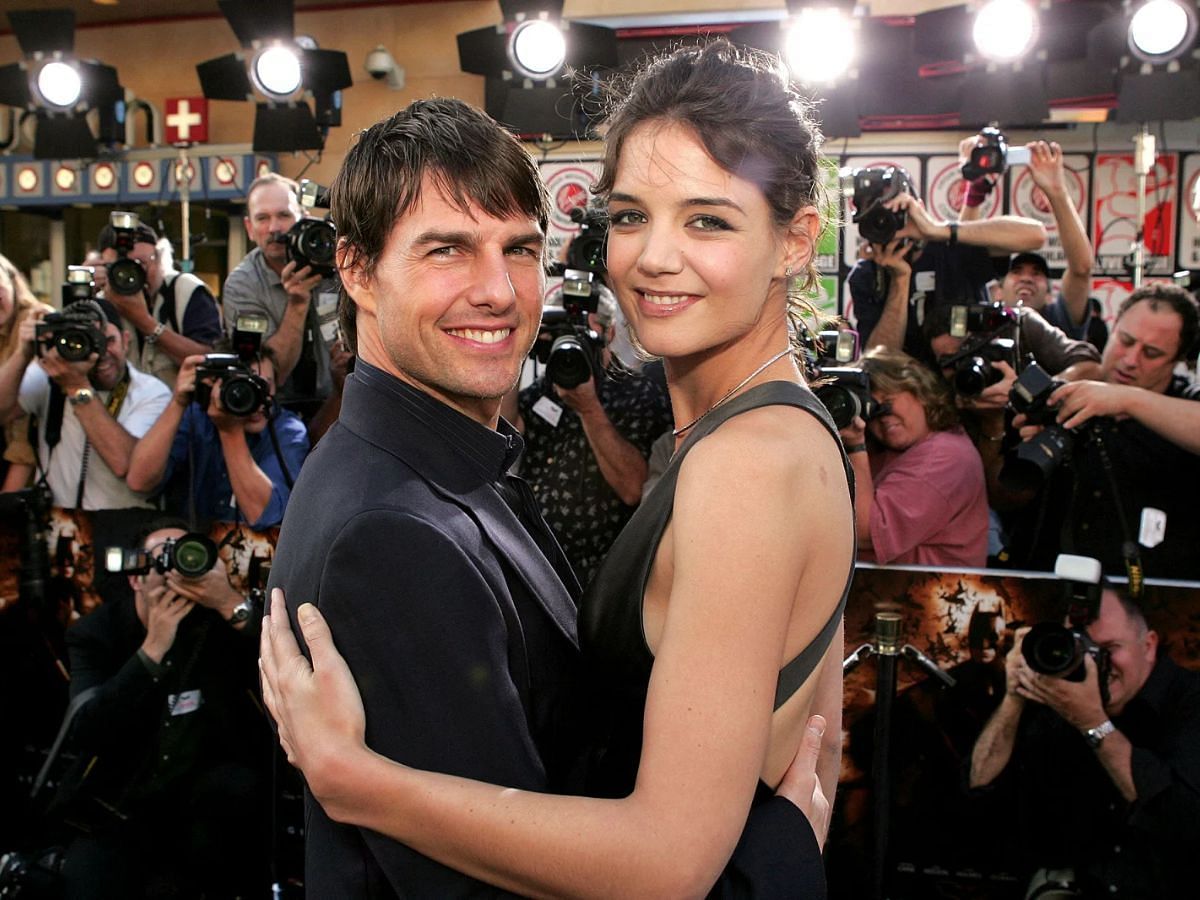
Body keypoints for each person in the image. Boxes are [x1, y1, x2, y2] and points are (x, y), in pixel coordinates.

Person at [260, 42, 851, 897]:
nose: (653, 257)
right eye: (630, 216)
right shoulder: (388, 527)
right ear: (355, 269)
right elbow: (816, 741)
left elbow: (777, 771)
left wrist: (357, 782)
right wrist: (778, 854)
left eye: (708, 219)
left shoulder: (744, 463)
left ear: (796, 242)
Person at [57, 519, 271, 898]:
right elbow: (87, 731)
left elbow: (276, 660)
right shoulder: (96, 633)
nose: (176, 569)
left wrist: (226, 601)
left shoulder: (214, 623)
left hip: (200, 806)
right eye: (163, 559)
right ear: (136, 577)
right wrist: (151, 651)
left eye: (187, 555)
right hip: (120, 805)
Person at [968, 587, 1200, 898]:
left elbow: (1180, 818)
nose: (1096, 664)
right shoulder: (1057, 691)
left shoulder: (1189, 700)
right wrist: (1014, 698)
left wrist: (1092, 722)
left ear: (1148, 646)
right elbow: (979, 789)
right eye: (1084, 649)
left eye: (1110, 648)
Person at [1007, 283, 1200, 579]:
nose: (1131, 360)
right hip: (1045, 589)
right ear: (1113, 327)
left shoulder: (1184, 404)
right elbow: (1005, 497)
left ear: (1178, 360)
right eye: (1125, 340)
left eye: (1151, 353)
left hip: (1153, 602)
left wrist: (1125, 399)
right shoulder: (1065, 395)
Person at [507, 286, 672, 586]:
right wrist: (517, 349)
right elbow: (504, 430)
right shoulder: (538, 394)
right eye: (564, 328)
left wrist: (589, 409)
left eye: (583, 328)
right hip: (542, 567)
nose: (572, 337)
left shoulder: (639, 395)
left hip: (609, 574)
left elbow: (634, 489)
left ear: (608, 334)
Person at [847, 180, 1045, 367]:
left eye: (895, 211)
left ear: (918, 208)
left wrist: (938, 230)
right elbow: (880, 361)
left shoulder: (951, 248)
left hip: (967, 383)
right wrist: (900, 278)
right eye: (875, 216)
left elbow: (1036, 235)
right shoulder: (866, 275)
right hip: (909, 393)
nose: (886, 221)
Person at [0, 298, 171, 510]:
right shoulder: (51, 375)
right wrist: (23, 354)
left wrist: (76, 386)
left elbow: (124, 464)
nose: (99, 353)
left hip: (123, 527)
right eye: (86, 341)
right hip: (60, 525)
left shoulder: (151, 392)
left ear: (126, 341)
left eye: (107, 341)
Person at [839, 345, 989, 567]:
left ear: (920, 391)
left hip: (931, 596)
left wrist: (855, 446)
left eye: (888, 402)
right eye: (872, 408)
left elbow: (865, 533)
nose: (883, 416)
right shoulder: (894, 449)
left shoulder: (945, 456)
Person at [126, 348, 308, 529]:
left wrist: (230, 431)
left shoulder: (287, 430)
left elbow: (262, 515)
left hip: (260, 552)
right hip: (192, 548)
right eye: (240, 387)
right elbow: (139, 480)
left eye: (263, 386)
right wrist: (178, 402)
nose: (256, 399)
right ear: (215, 385)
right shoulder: (197, 416)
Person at [222, 173, 340, 419]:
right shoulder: (242, 284)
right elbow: (273, 373)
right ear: (249, 229)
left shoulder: (336, 263)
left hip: (343, 403)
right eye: (262, 218)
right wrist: (297, 304)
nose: (274, 228)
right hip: (274, 412)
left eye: (284, 215)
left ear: (304, 218)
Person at [961, 139, 1099, 343]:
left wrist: (1057, 192)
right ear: (997, 292)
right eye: (1016, 272)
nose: (1026, 279)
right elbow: (964, 257)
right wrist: (974, 192)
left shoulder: (1058, 322)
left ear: (1049, 297)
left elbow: (1081, 269)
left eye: (1037, 274)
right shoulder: (985, 321)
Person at [97, 220, 224, 388]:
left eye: (140, 264)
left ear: (158, 259)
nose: (131, 276)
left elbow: (209, 360)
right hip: (123, 410)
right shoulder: (100, 303)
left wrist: (144, 322)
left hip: (183, 408)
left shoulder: (186, 292)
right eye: (120, 267)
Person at [0, 253, 52, 491]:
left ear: (13, 282)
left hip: (30, 469)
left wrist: (7, 503)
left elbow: (18, 415)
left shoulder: (36, 321)